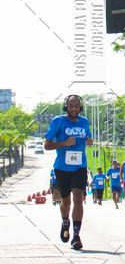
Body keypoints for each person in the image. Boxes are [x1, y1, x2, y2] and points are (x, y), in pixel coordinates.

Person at [44, 95, 93, 251]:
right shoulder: (58, 121)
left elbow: (88, 137)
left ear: (80, 107)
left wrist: (89, 141)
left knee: (78, 198)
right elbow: (47, 145)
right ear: (66, 107)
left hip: (80, 166)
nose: (73, 109)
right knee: (66, 202)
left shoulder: (85, 122)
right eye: (71, 106)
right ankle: (65, 221)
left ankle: (76, 236)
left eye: (76, 106)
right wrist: (64, 143)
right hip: (62, 168)